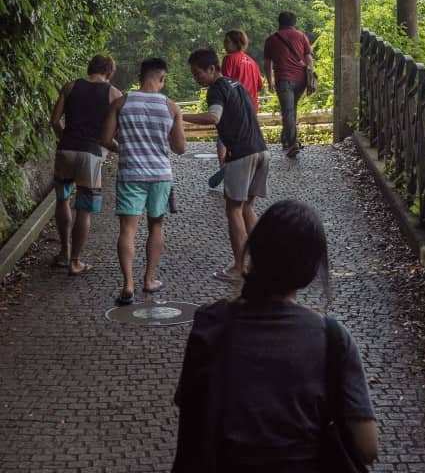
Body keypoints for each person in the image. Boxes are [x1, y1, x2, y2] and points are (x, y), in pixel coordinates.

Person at [171, 199, 378, 473]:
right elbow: (367, 448)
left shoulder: (211, 323)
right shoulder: (332, 339)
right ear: (311, 269)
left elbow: (192, 416)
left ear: (255, 252)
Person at [101, 57, 185, 304]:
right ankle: (149, 280)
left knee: (128, 229)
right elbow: (180, 147)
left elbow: (105, 139)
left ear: (141, 76)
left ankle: (127, 285)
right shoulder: (171, 107)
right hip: (160, 175)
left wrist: (123, 149)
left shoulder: (121, 103)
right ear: (162, 78)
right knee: (156, 226)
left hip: (130, 173)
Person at [186, 47, 269, 280]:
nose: (197, 78)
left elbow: (214, 117)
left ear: (212, 68)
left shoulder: (216, 89)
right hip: (261, 150)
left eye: (198, 73)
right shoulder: (237, 85)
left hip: (242, 154)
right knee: (248, 208)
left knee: (233, 209)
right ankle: (261, 261)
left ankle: (239, 267)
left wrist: (179, 115)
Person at [50, 54, 122, 275]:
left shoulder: (70, 86)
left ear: (89, 68)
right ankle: (75, 261)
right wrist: (109, 148)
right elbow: (117, 130)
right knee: (84, 209)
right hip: (90, 155)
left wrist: (64, 138)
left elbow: (54, 121)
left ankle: (63, 252)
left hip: (66, 150)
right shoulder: (114, 94)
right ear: (109, 73)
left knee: (63, 200)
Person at [263, 11, 314, 158]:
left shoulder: (271, 39)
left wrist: (270, 80)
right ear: (294, 22)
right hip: (301, 80)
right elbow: (309, 59)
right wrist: (310, 80)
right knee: (291, 110)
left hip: (284, 79)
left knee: (288, 111)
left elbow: (267, 63)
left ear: (279, 22)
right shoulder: (301, 36)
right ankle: (286, 140)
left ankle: (292, 144)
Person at [216, 29, 264, 166]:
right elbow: (259, 86)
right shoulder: (252, 62)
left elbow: (223, 82)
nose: (224, 44)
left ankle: (223, 164)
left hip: (234, 105)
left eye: (227, 41)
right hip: (252, 106)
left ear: (236, 43)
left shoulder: (229, 59)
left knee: (224, 132)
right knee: (246, 136)